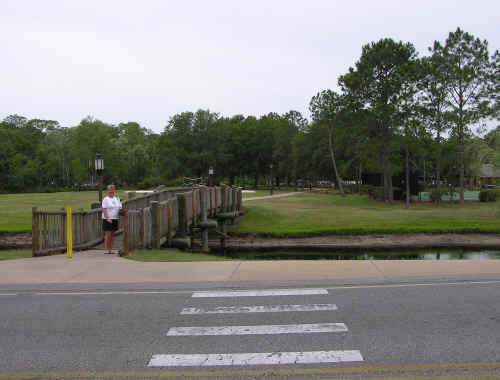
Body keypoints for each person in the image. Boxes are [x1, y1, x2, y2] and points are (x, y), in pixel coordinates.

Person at [102, 184, 122, 254]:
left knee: (113, 235)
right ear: (108, 191)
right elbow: (104, 209)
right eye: (110, 190)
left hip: (115, 218)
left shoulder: (116, 199)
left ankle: (111, 249)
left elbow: (119, 207)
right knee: (108, 235)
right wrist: (107, 218)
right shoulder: (105, 199)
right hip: (108, 219)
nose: (111, 191)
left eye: (112, 190)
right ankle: (107, 250)